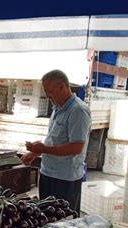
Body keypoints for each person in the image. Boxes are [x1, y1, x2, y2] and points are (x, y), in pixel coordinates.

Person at [21, 70, 91, 213]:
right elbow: (54, 140)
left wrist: (43, 149)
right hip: (48, 174)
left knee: (64, 222)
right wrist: (35, 153)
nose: (47, 96)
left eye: (49, 91)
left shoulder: (78, 110)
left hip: (65, 179)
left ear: (61, 87)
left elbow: (76, 147)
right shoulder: (57, 107)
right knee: (46, 217)